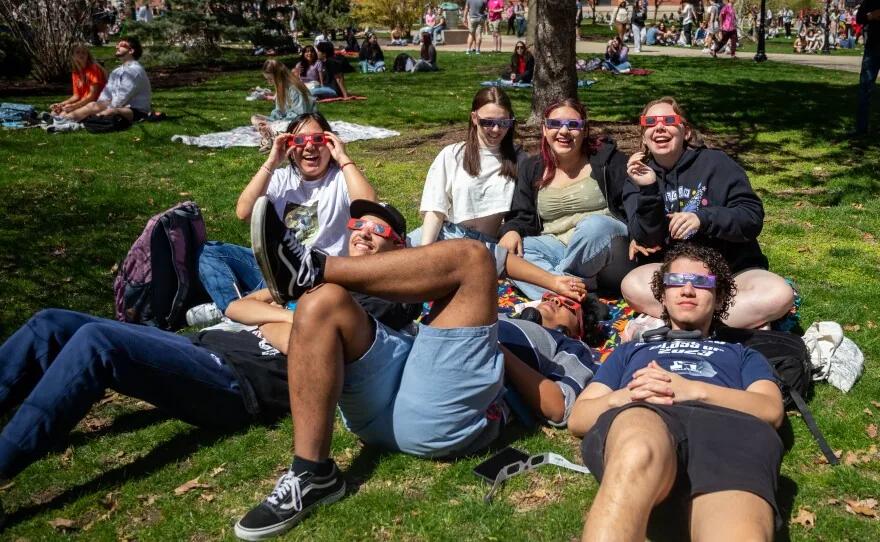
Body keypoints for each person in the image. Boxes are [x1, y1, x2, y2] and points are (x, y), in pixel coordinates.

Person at [0, 202, 432, 519]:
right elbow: (239, 308)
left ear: (398, 247)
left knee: (97, 341)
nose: (363, 233)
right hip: (204, 343)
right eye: (359, 224)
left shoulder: (384, 301)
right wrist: (290, 317)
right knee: (51, 321)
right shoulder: (316, 279)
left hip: (234, 380)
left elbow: (305, 346)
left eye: (379, 230)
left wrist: (293, 323)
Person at [233, 195, 596, 540]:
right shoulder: (495, 310)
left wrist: (492, 347)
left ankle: (316, 268)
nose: (551, 298)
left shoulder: (569, 348)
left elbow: (559, 406)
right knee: (322, 303)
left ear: (580, 323)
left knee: (472, 259)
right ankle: (312, 472)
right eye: (549, 293)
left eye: (567, 302)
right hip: (398, 383)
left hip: (442, 415)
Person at [569, 242, 784, 542]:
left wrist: (691, 390)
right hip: (648, 415)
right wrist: (630, 395)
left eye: (700, 283)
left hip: (730, 431)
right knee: (636, 449)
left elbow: (770, 410)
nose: (687, 290)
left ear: (719, 295)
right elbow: (579, 416)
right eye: (676, 282)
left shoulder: (741, 353)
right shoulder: (631, 350)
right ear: (663, 296)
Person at [621, 97, 795, 329]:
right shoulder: (638, 176)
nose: (659, 127)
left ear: (687, 132)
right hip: (677, 279)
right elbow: (647, 238)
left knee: (780, 294)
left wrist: (703, 219)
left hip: (733, 274)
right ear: (644, 135)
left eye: (669, 120)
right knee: (632, 284)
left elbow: (751, 218)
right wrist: (649, 189)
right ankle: (727, 325)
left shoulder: (717, 163)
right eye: (650, 122)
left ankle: (684, 324)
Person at [196, 112, 377, 319]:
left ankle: (246, 307)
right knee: (210, 252)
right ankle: (242, 304)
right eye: (299, 140)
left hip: (317, 277)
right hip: (276, 269)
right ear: (290, 147)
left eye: (318, 139)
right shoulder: (281, 178)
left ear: (330, 143)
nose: (309, 147)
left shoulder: (340, 179)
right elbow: (244, 212)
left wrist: (344, 158)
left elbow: (367, 206)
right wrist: (272, 162)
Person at [498, 98, 633, 300]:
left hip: (606, 246)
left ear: (584, 130)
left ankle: (559, 289)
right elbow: (522, 214)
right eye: (554, 124)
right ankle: (578, 299)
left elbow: (633, 202)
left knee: (594, 226)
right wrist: (511, 230)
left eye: (573, 125)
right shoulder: (532, 167)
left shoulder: (609, 161)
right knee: (511, 255)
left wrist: (643, 234)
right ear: (544, 129)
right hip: (556, 245)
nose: (563, 131)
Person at [410, 87, 521, 246]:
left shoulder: (517, 160)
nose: (496, 129)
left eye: (503, 122)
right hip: (445, 234)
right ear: (475, 118)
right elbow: (436, 209)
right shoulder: (452, 154)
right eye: (488, 122)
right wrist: (425, 251)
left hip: (483, 245)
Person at [64, 37, 151, 123]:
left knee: (107, 112)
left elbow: (122, 97)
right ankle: (63, 119)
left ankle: (65, 121)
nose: (117, 47)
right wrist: (99, 105)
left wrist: (104, 107)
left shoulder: (134, 71)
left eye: (122, 45)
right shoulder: (117, 71)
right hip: (118, 106)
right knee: (93, 105)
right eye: (117, 44)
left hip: (135, 110)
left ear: (131, 51)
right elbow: (106, 93)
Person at [250, 59, 316, 131]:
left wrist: (278, 122)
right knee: (255, 117)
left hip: (301, 122)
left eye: (271, 79)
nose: (269, 83)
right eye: (267, 79)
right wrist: (273, 119)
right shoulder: (281, 88)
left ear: (278, 76)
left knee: (268, 125)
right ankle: (268, 129)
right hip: (284, 121)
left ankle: (270, 130)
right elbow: (279, 111)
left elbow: (301, 115)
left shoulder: (294, 88)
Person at [50, 45, 108, 118]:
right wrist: (61, 104)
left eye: (84, 53)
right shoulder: (75, 73)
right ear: (73, 56)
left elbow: (93, 96)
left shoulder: (93, 69)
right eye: (78, 52)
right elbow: (76, 96)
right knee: (54, 112)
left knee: (63, 115)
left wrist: (74, 106)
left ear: (88, 55)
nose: (81, 55)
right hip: (84, 102)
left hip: (95, 102)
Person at [853, 0, 880, 137]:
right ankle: (861, 128)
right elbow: (859, 18)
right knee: (865, 88)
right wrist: (871, 16)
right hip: (873, 47)